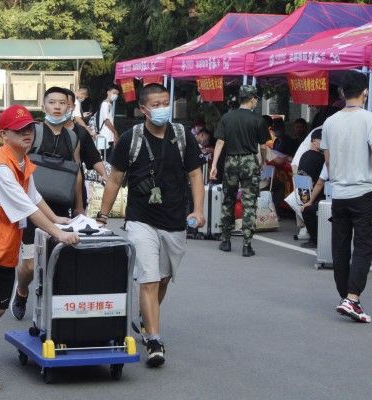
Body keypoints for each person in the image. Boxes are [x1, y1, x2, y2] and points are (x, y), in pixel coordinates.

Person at [0, 105, 79, 391]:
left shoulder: (23, 162)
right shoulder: (1, 168)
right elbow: (27, 208)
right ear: (4, 135)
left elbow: (33, 196)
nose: (27, 134)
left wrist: (56, 218)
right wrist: (58, 233)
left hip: (2, 246)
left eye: (29, 128)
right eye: (19, 130)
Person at [97, 83, 205, 367]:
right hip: (140, 219)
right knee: (149, 279)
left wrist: (198, 210)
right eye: (156, 105)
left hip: (175, 219)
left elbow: (195, 174)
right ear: (143, 109)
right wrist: (102, 215)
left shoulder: (182, 136)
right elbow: (115, 179)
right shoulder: (130, 139)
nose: (162, 109)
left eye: (165, 103)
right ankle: (154, 340)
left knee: (163, 279)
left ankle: (146, 320)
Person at [10, 87, 83, 321]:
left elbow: (76, 173)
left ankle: (52, 312)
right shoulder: (34, 132)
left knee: (57, 261)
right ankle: (22, 291)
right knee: (31, 265)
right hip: (31, 208)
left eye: (62, 103)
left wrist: (79, 206)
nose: (57, 107)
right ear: (43, 106)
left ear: (69, 107)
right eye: (52, 102)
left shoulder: (73, 137)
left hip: (60, 207)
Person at [320, 71, 372, 323]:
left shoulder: (329, 122)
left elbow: (328, 161)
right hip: (363, 192)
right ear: (365, 92)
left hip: (338, 194)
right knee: (363, 246)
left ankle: (347, 298)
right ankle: (352, 298)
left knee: (340, 248)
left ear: (342, 92)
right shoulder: (368, 119)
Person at [210, 85, 269, 257]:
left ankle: (226, 240)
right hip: (249, 161)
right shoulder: (258, 120)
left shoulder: (227, 117)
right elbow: (263, 146)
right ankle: (247, 245)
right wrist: (263, 160)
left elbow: (219, 142)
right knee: (249, 203)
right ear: (252, 99)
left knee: (228, 200)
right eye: (256, 99)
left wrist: (214, 164)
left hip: (230, 161)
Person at [63, 88, 108, 209]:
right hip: (44, 192)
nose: (59, 107)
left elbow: (93, 158)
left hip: (73, 191)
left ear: (73, 106)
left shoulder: (81, 132)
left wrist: (105, 176)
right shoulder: (39, 132)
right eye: (53, 102)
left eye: (65, 104)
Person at [295, 130, 325, 248]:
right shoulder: (321, 159)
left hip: (303, 195)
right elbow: (322, 181)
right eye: (322, 140)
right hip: (316, 196)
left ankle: (314, 238)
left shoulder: (304, 155)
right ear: (314, 141)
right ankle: (317, 239)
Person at [97, 84, 120, 159]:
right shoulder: (105, 104)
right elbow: (106, 121)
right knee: (106, 159)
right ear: (108, 92)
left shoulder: (110, 104)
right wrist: (115, 132)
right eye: (114, 93)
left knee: (108, 159)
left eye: (117, 94)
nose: (115, 95)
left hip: (109, 137)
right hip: (105, 137)